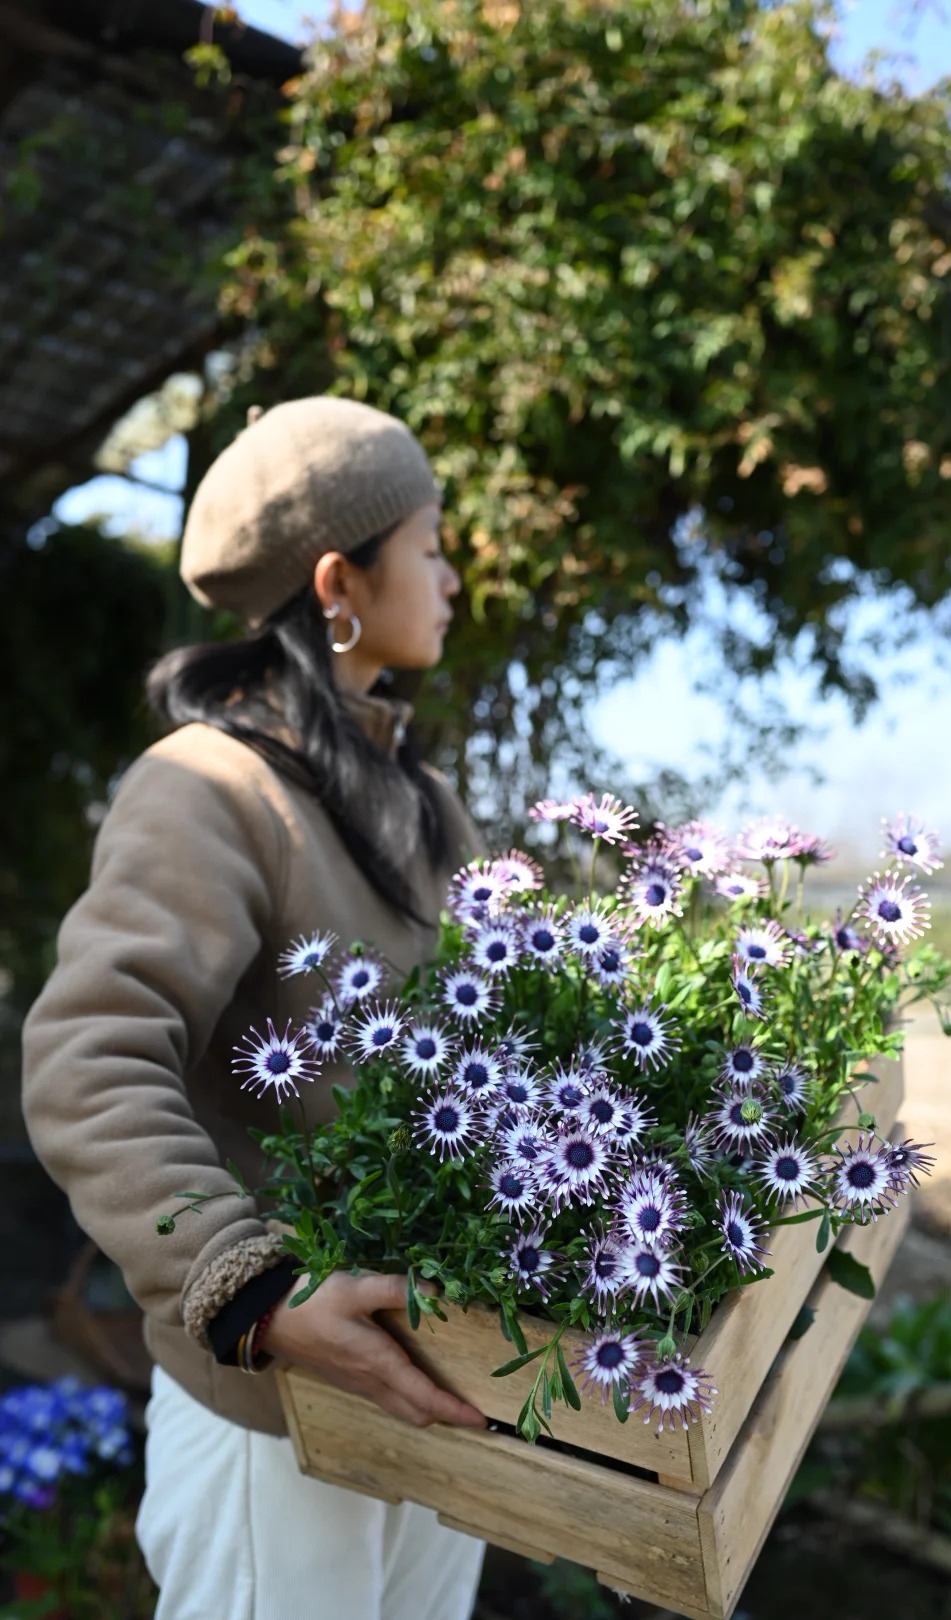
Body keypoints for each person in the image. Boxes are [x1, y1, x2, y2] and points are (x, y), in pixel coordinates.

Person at [21, 397, 490, 1620]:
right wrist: (257, 1294)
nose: (450, 577)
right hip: (272, 1420)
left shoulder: (422, 801)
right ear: (340, 579)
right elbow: (91, 1058)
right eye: (432, 546)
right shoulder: (208, 786)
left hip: (435, 1389)